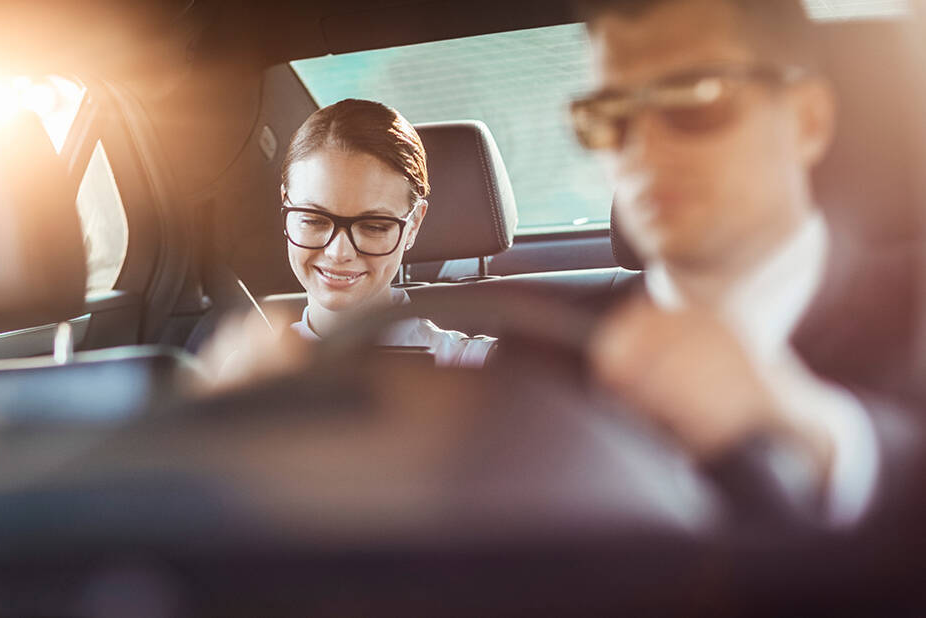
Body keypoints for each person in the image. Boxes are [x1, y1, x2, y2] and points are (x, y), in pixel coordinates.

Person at [569, 0, 922, 527]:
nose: (644, 149)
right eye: (611, 116)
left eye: (697, 97)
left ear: (807, 120)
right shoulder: (554, 349)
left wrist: (816, 433)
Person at [199, 99, 496, 388]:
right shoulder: (248, 374)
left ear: (413, 224)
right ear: (285, 204)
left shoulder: (480, 369)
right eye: (313, 220)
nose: (338, 252)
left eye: (374, 226)